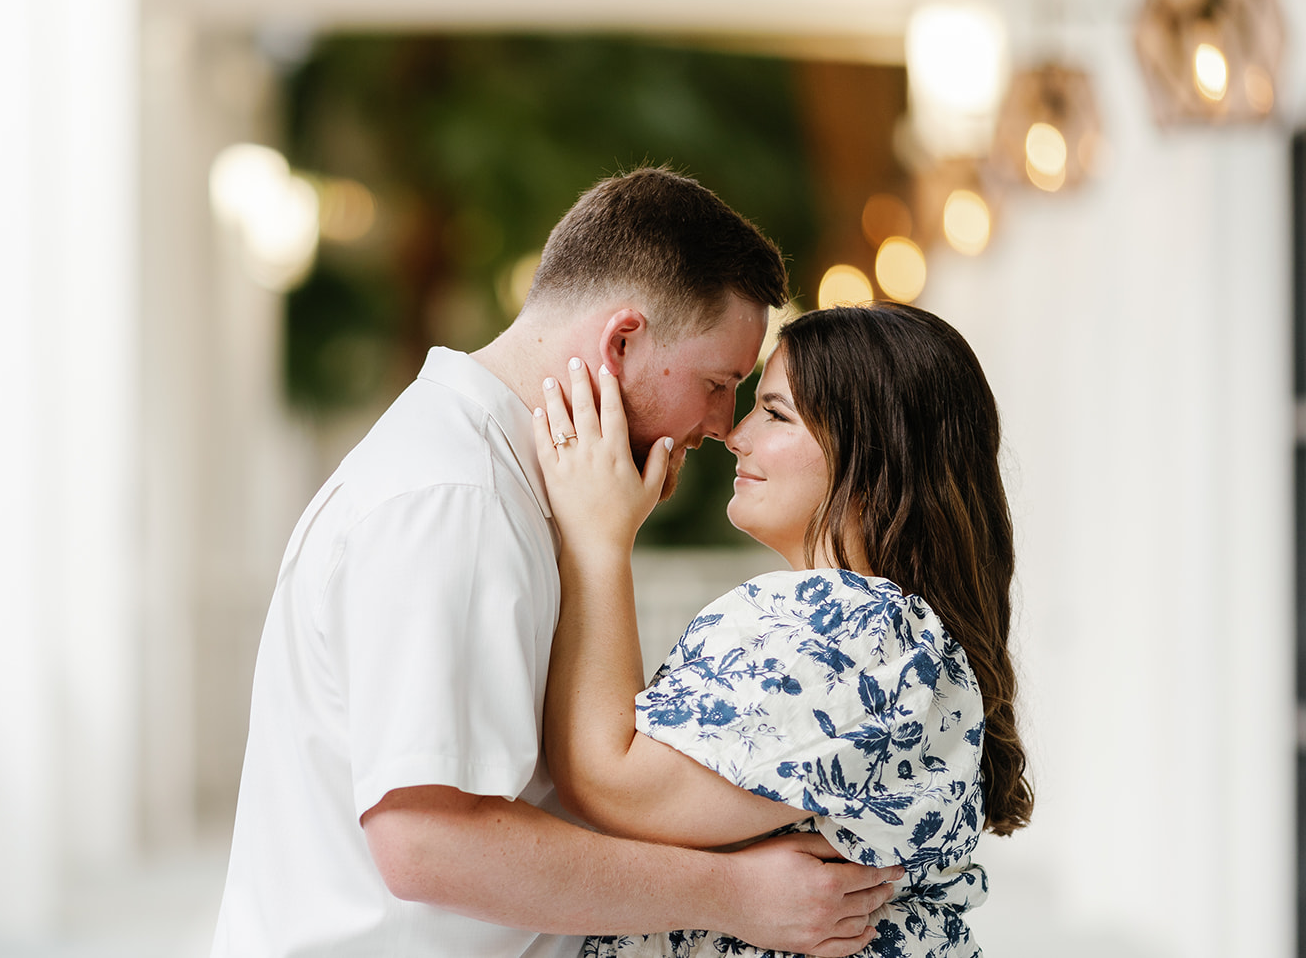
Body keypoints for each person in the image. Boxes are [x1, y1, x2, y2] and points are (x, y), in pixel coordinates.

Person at [210, 168, 903, 958]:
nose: (719, 424)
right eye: (718, 383)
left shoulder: (510, 484)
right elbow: (427, 840)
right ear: (621, 342)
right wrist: (735, 894)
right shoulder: (455, 499)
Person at [532, 302, 1032, 958]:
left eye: (774, 412)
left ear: (870, 452)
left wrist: (598, 537)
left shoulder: (858, 627)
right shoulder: (881, 628)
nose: (735, 433)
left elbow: (614, 785)